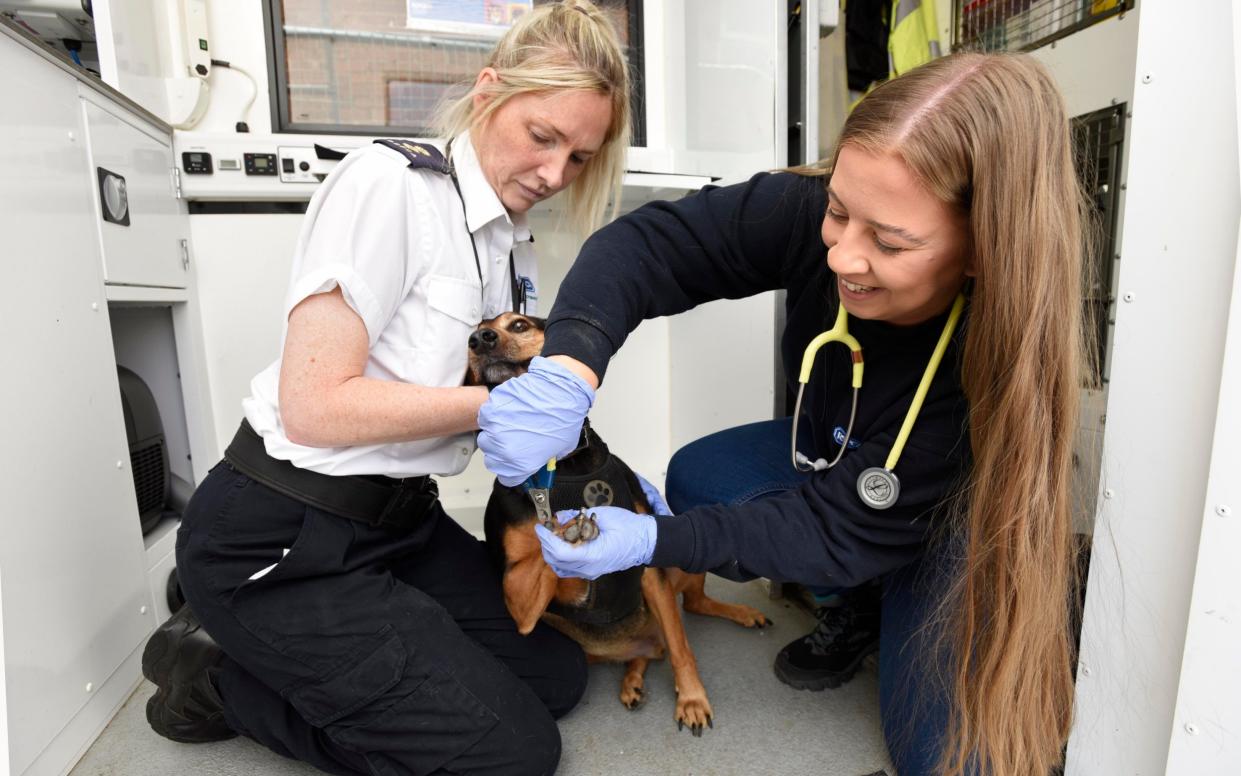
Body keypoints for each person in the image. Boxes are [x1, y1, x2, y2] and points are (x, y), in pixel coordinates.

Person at [477, 51, 1089, 776]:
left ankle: (896, 578)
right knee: (703, 475)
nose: (841, 257)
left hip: (933, 508)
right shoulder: (815, 216)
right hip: (839, 457)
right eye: (838, 211)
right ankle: (855, 597)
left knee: (953, 760)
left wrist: (656, 540)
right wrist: (569, 366)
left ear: (984, 247)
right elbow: (647, 246)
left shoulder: (990, 360)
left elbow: (836, 523)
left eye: (889, 242)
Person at [140, 3, 631, 774]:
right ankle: (216, 672)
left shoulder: (504, 239)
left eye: (578, 157)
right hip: (286, 531)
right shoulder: (391, 187)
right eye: (543, 137)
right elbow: (316, 404)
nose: (553, 174)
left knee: (555, 675)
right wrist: (504, 404)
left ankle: (271, 637)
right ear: (487, 92)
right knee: (511, 758)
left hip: (401, 526)